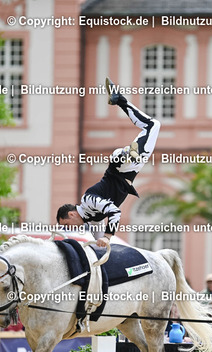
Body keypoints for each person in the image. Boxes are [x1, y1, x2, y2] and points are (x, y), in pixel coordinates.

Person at [56, 78, 161, 248]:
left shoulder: (88, 200)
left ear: (72, 214)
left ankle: (126, 153)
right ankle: (119, 101)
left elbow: (114, 211)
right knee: (152, 126)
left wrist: (107, 236)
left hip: (120, 168)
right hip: (132, 170)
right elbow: (97, 240)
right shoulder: (93, 218)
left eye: (67, 225)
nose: (70, 229)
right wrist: (100, 243)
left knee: (149, 128)